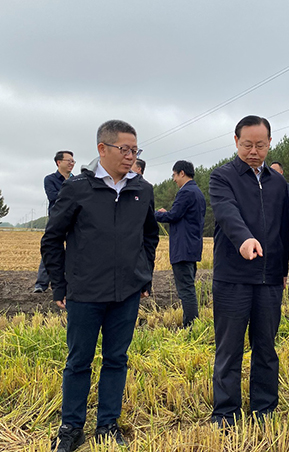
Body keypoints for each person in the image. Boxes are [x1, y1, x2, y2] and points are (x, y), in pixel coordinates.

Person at [41, 120, 159, 451]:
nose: (131, 156)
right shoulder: (78, 188)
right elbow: (52, 238)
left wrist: (144, 274)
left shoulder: (143, 190)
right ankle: (71, 427)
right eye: (125, 149)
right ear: (102, 149)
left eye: (135, 150)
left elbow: (150, 236)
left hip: (126, 293)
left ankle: (107, 424)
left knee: (116, 359)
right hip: (85, 293)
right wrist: (60, 286)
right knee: (78, 361)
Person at [209, 115, 289, 427]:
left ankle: (264, 409)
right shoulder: (222, 177)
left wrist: (282, 270)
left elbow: (283, 232)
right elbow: (226, 213)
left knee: (266, 347)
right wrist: (244, 240)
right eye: (247, 145)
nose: (253, 151)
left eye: (260, 145)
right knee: (229, 349)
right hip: (233, 278)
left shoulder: (279, 184)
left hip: (269, 279)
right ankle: (225, 413)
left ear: (270, 143)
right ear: (235, 142)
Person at [155, 160, 206, 327]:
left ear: (182, 173)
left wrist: (154, 214)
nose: (174, 179)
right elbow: (180, 215)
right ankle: (192, 324)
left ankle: (190, 326)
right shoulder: (197, 192)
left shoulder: (186, 192)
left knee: (186, 290)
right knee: (188, 288)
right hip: (192, 247)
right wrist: (168, 213)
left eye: (174, 175)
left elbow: (173, 216)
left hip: (183, 249)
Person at [33, 150, 75, 293]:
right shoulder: (50, 179)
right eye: (69, 161)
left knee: (74, 250)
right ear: (59, 162)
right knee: (51, 249)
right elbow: (53, 197)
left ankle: (71, 283)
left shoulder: (77, 180)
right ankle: (41, 284)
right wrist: (72, 197)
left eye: (73, 161)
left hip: (74, 220)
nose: (72, 163)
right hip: (56, 220)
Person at [270, 161, 289, 236]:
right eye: (271, 171)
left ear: (281, 172)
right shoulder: (264, 187)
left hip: (284, 225)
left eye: (275, 170)